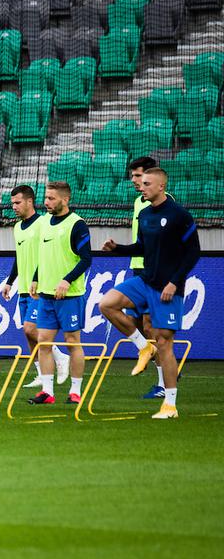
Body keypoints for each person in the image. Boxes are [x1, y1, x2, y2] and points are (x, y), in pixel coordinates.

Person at [100, 168, 200, 419]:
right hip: (145, 280)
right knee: (107, 304)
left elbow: (193, 253)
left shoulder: (180, 216)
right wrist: (118, 249)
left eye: (146, 183)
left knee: (165, 343)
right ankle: (144, 347)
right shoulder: (144, 214)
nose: (141, 187)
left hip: (167, 288)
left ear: (161, 186)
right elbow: (142, 248)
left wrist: (174, 283)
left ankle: (170, 405)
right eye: (140, 183)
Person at [26, 181, 91, 406]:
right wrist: (35, 277)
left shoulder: (77, 224)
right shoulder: (44, 222)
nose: (46, 202)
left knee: (72, 342)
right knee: (43, 342)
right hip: (45, 294)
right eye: (46, 198)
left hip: (70, 295)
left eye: (51, 198)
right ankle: (47, 391)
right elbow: (44, 254)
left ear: (65, 199)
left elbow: (86, 259)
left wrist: (67, 280)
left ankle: (75, 391)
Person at [0, 185, 69, 388]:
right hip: (23, 288)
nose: (14, 206)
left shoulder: (43, 223)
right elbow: (19, 257)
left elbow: (48, 254)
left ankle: (61, 357)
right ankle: (41, 374)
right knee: (28, 333)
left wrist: (39, 279)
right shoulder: (17, 227)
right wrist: (10, 282)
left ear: (30, 202)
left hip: (40, 288)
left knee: (32, 329)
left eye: (18, 202)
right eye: (12, 203)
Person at [125, 156, 169, 399]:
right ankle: (163, 365)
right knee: (140, 325)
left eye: (137, 175)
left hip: (156, 272)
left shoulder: (164, 205)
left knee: (153, 326)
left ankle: (163, 384)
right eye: (132, 176)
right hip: (138, 269)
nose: (134, 180)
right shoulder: (137, 202)